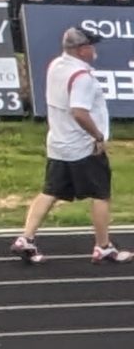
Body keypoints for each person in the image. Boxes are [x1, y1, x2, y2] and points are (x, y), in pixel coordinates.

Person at [15, 24, 130, 266]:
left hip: (59, 142)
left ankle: (26, 238)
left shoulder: (56, 65)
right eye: (91, 45)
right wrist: (98, 136)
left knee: (50, 191)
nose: (94, 49)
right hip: (83, 146)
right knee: (100, 195)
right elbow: (79, 112)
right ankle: (103, 246)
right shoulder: (82, 78)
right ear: (80, 49)